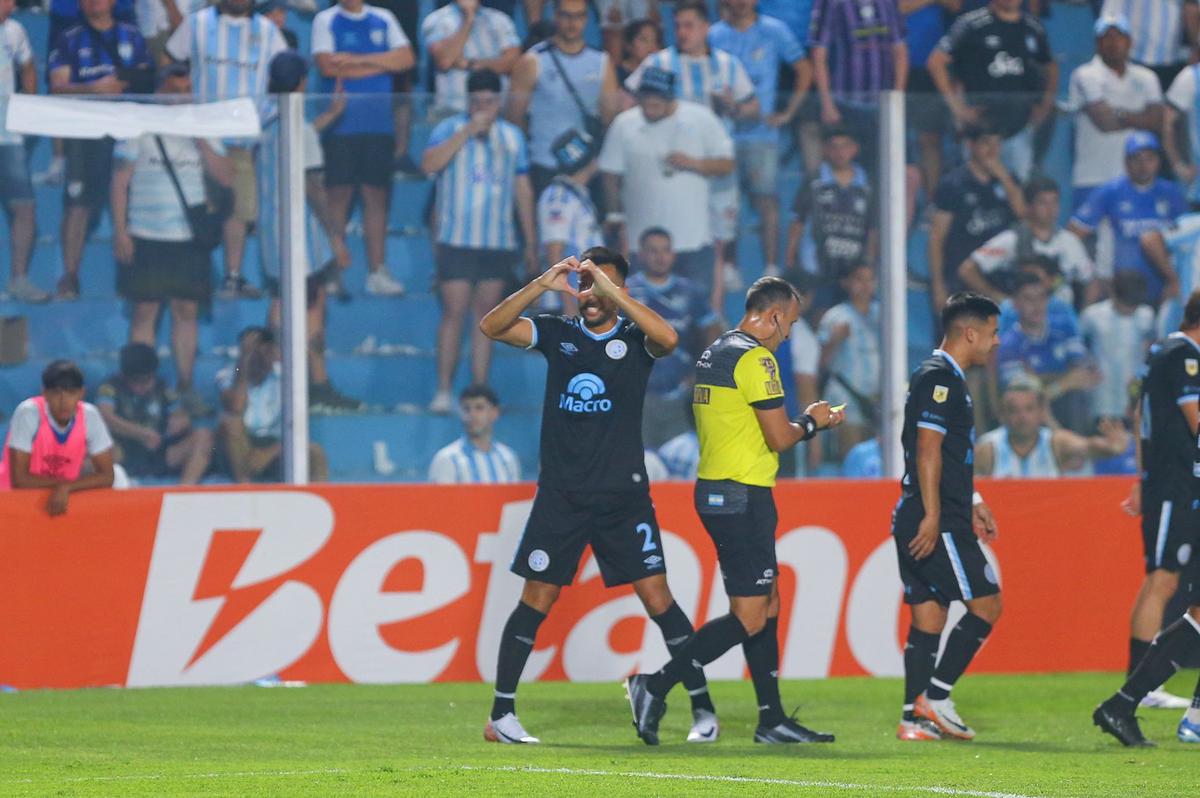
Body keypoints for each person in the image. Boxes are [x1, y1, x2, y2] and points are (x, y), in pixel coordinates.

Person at [478, 248, 721, 746]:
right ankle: (501, 716)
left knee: (659, 599)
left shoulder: (635, 339)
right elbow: (492, 327)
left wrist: (613, 291)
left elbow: (670, 338)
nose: (589, 294)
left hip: (623, 497)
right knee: (536, 599)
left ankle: (703, 710)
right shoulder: (560, 334)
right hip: (563, 495)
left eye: (599, 285)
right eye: (584, 284)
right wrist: (542, 285)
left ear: (619, 292)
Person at [625, 277, 844, 747]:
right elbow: (780, 438)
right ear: (774, 315)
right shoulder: (756, 358)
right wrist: (814, 420)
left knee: (768, 604)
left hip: (725, 490)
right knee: (748, 616)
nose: (787, 335)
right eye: (789, 324)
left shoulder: (717, 349)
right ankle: (654, 686)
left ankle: (772, 719)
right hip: (740, 495)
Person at [890, 293, 1002, 743]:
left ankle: (910, 720)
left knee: (929, 616)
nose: (995, 343)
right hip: (936, 518)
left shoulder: (941, 376)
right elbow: (928, 449)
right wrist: (935, 514)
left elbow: (949, 454)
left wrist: (972, 495)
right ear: (970, 333)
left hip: (924, 509)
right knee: (988, 604)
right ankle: (935, 699)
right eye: (992, 333)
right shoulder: (941, 379)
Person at [1093, 292, 1200, 746]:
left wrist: (1141, 475)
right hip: (1177, 486)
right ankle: (1138, 692)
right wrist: (1148, 477)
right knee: (1162, 581)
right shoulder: (1183, 355)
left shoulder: (1165, 352)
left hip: (1179, 484)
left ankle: (1165, 704)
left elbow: (1143, 417)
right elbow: (1194, 419)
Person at [110, 62, 232, 419]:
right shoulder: (138, 126)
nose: (180, 98)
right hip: (146, 235)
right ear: (161, 90)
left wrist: (199, 139)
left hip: (187, 238)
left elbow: (225, 176)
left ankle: (185, 386)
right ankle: (137, 387)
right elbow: (119, 182)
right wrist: (121, 230)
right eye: (174, 90)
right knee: (145, 311)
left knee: (186, 311)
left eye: (186, 91)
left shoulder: (206, 128)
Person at [622, 0, 758, 296]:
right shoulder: (658, 63)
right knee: (667, 241)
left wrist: (734, 107)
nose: (682, 32)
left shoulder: (727, 64)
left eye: (689, 25)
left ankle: (714, 313)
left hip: (715, 165)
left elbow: (753, 107)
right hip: (669, 168)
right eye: (678, 26)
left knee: (718, 243)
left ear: (705, 27)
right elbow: (628, 102)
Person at [422, 69, 537, 414]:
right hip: (456, 239)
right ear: (468, 102)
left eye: (489, 101)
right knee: (453, 313)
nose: (483, 107)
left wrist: (530, 241)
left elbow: (522, 189)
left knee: (486, 317)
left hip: (496, 239)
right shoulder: (448, 128)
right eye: (477, 102)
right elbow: (428, 165)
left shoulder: (512, 137)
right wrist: (467, 131)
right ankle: (443, 389)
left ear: (499, 102)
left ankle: (479, 389)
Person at [259, 50, 363, 414]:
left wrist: (329, 117)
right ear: (302, 82)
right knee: (310, 310)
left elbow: (297, 140)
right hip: (302, 237)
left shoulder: (267, 121)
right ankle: (314, 383)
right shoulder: (298, 128)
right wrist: (335, 236)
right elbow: (313, 186)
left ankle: (288, 380)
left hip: (272, 236)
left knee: (283, 303)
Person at [165, 0, 288, 300]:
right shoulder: (196, 23)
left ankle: (232, 276)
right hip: (200, 137)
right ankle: (194, 275)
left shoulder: (269, 31)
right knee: (197, 207)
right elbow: (170, 62)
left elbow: (286, 76)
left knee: (238, 210)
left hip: (243, 138)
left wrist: (263, 116)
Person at [49, 0, 153, 302]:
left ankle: (135, 277)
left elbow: (148, 79)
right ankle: (70, 275)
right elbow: (57, 87)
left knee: (131, 201)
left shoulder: (132, 36)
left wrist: (125, 85)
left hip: (127, 128)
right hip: (84, 132)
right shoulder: (68, 39)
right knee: (77, 203)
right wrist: (94, 89)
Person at [599, 67, 734, 299]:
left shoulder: (701, 119)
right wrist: (615, 215)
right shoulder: (624, 124)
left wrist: (694, 163)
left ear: (671, 96)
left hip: (693, 241)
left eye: (657, 97)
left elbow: (726, 164)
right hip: (642, 245)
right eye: (645, 96)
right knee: (640, 317)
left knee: (698, 313)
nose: (650, 102)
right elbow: (610, 173)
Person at [312, 0, 413, 298]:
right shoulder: (326, 20)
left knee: (376, 197)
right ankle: (332, 270)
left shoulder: (384, 17)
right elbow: (327, 65)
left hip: (379, 123)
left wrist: (354, 61)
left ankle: (377, 270)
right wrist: (382, 61)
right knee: (337, 197)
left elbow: (406, 59)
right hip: (341, 125)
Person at [709, 0, 810, 280]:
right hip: (722, 135)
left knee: (767, 200)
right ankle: (729, 265)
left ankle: (770, 267)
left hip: (762, 135)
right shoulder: (714, 34)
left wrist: (787, 113)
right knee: (726, 201)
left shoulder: (774, 31)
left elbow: (804, 69)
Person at [926, 0, 1055, 181]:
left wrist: (1045, 104)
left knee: (1018, 190)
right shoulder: (970, 24)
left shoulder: (1032, 26)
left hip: (1019, 129)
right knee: (976, 187)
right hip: (979, 133)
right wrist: (958, 109)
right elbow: (936, 62)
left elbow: (1050, 66)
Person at [505, 0, 619, 198]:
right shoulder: (532, 61)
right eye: (566, 15)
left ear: (586, 18)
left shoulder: (602, 62)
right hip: (543, 166)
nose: (572, 23)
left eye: (578, 16)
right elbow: (513, 120)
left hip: (586, 167)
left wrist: (592, 167)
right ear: (555, 16)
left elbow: (610, 121)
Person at [627, 226, 722, 447]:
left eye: (665, 250)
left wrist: (701, 373)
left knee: (679, 466)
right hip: (638, 398)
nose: (660, 257)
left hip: (679, 396)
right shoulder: (627, 293)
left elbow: (711, 330)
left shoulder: (690, 292)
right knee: (643, 465)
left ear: (673, 255)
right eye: (653, 251)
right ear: (641, 254)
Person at [1069, 131, 1186, 307]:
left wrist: (1176, 279)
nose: (1143, 165)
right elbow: (1074, 231)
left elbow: (1185, 238)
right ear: (1126, 162)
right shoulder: (1110, 192)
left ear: (1158, 161)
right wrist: (1093, 272)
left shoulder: (1171, 193)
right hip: (1121, 290)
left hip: (1162, 287)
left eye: (1149, 158)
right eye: (1136, 159)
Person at [1065, 14, 1163, 216]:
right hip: (1093, 177)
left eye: (1119, 36)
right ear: (1097, 43)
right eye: (1106, 37)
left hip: (1135, 181)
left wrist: (1118, 112)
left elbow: (1157, 121)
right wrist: (1139, 117)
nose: (1113, 43)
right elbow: (1105, 123)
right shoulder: (1085, 74)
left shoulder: (1147, 77)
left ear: (1129, 42)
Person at [928, 125, 1025, 314]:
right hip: (960, 282)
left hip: (999, 279)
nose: (993, 150)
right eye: (986, 143)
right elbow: (936, 239)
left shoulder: (1008, 180)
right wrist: (938, 287)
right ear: (971, 146)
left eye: (998, 144)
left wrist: (1004, 178)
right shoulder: (953, 184)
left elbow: (1023, 214)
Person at [0, 360, 116, 515]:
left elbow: (107, 476)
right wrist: (64, 486)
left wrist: (66, 488)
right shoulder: (29, 413)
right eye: (56, 393)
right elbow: (20, 480)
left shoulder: (90, 416)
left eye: (71, 393)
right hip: (12, 502)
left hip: (61, 502)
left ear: (82, 393)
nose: (64, 401)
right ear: (45, 393)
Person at [960, 177, 1096, 307]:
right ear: (1029, 206)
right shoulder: (1011, 240)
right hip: (1022, 319)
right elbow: (968, 270)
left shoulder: (1070, 241)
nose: (1050, 209)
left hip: (1061, 319)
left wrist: (1083, 314)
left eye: (1054, 202)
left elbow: (1090, 280)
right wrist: (1000, 299)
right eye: (1043, 202)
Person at [216, 327, 330, 483]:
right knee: (232, 422)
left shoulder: (286, 376)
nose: (261, 359)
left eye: (266, 352)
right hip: (240, 444)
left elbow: (296, 421)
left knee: (315, 452)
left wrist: (270, 452)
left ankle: (317, 498)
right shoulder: (229, 373)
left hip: (275, 445)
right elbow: (236, 405)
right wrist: (243, 361)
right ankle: (245, 489)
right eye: (255, 353)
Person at [808, 0, 907, 177]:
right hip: (845, 104)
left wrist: (896, 99)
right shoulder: (830, 3)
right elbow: (818, 54)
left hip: (883, 105)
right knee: (846, 169)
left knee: (895, 170)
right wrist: (827, 104)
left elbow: (899, 49)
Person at [786, 125, 877, 313]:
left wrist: (868, 260)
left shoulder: (868, 185)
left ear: (855, 149)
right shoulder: (815, 181)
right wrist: (790, 256)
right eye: (834, 147)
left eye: (845, 146)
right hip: (816, 267)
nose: (840, 152)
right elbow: (798, 221)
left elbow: (873, 227)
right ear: (826, 150)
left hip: (853, 267)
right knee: (819, 316)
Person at [96, 343, 214, 485]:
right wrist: (142, 434)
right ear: (124, 376)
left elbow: (181, 415)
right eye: (137, 382)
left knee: (203, 436)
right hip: (124, 450)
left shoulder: (162, 387)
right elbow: (105, 417)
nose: (143, 386)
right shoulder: (110, 387)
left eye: (147, 380)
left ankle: (184, 492)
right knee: (102, 449)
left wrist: (181, 422)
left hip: (160, 452)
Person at [996, 272, 1096, 432]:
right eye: (1028, 298)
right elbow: (1022, 394)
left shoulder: (1064, 329)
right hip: (1032, 419)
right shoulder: (1009, 344)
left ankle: (1075, 447)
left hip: (1068, 409)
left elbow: (1085, 375)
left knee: (1077, 396)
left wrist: (1040, 380)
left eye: (1041, 298)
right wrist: (1065, 380)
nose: (1036, 305)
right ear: (1015, 304)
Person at [975, 375, 1130, 477]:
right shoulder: (988, 449)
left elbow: (1088, 446)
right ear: (1003, 415)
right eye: (1014, 410)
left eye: (1029, 409)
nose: (1022, 417)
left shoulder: (1056, 442)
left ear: (1041, 411)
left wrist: (1112, 447)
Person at [0, 0, 41, 303]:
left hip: (9, 137)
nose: (11, 6)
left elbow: (28, 67)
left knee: (25, 206)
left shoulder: (15, 31)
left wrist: (28, 106)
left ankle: (19, 279)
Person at [535, 129, 603, 312]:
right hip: (563, 305)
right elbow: (554, 252)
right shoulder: (559, 198)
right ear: (589, 159)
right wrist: (569, 306)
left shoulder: (578, 194)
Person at [819, 263, 880, 456]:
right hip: (846, 396)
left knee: (875, 462)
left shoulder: (885, 315)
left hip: (878, 399)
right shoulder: (835, 317)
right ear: (847, 283)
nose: (865, 285)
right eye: (859, 279)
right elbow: (821, 364)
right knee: (853, 458)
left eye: (869, 279)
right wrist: (835, 340)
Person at [903, 0, 961, 199]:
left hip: (930, 66)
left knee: (929, 138)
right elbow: (894, 8)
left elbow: (956, 5)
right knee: (889, 135)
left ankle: (932, 201)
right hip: (894, 63)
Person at [422, 0, 520, 118]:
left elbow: (513, 63)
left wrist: (470, 64)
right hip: (451, 111)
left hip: (496, 113)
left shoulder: (501, 20)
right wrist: (468, 20)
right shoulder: (436, 20)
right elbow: (445, 61)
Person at [1080, 270, 1156, 422]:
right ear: (1113, 292)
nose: (1130, 310)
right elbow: (1079, 347)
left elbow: (1152, 350)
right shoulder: (1092, 316)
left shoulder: (1147, 315)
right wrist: (1087, 366)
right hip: (1102, 395)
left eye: (1134, 306)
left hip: (1133, 395)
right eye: (1126, 305)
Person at [428, 383, 521, 483]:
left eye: (479, 408)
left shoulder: (508, 458)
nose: (472, 414)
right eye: (466, 409)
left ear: (495, 413)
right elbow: (441, 498)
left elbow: (514, 498)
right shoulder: (447, 459)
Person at [1099, 0, 1199, 92]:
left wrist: (1196, 48)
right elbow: (1109, 16)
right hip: (1132, 60)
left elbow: (1191, 8)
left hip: (1170, 62)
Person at [615, 17, 661, 93]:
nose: (651, 46)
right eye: (644, 39)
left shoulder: (660, 75)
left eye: (655, 41)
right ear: (629, 45)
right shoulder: (615, 75)